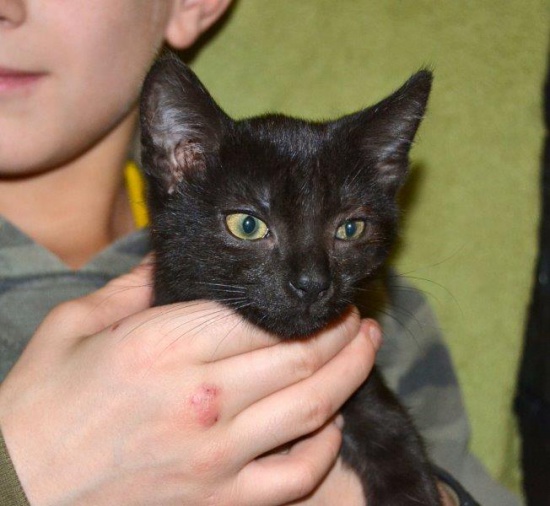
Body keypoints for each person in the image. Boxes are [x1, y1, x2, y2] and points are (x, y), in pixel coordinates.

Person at [0, 1, 518, 505]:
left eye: (348, 230)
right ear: (179, 163)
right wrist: (21, 473)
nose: (312, 279)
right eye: (248, 226)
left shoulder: (379, 314)